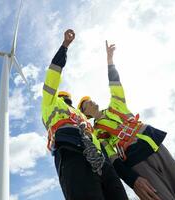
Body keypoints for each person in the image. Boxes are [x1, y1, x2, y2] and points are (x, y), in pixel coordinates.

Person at [78, 40, 175, 200]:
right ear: (86, 114)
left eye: (90, 99)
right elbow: (113, 159)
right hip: (137, 162)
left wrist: (110, 61)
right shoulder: (97, 133)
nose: (90, 101)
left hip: (156, 146)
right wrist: (133, 180)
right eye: (86, 103)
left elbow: (115, 85)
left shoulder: (116, 105)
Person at [41, 30, 128, 200]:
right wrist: (64, 46)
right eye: (67, 99)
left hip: (101, 158)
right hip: (71, 150)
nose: (68, 102)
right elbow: (53, 75)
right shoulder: (50, 101)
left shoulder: (80, 114)